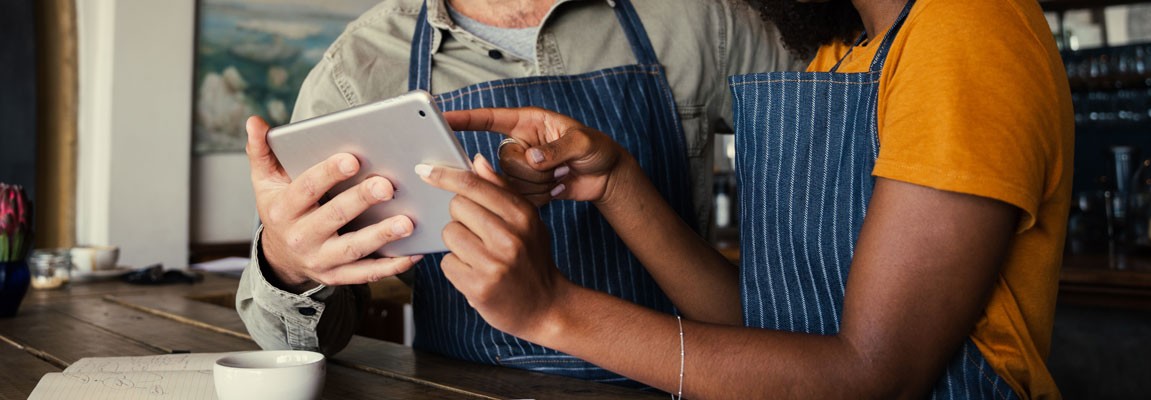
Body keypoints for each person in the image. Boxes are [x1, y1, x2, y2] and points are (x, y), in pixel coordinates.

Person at [415, 0, 1073, 398]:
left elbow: (876, 377)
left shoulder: (965, 29)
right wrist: (616, 181)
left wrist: (550, 311)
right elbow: (764, 331)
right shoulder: (842, 54)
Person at [236, 0, 802, 385]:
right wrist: (286, 261)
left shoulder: (708, 21)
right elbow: (304, 342)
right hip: (465, 391)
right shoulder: (355, 70)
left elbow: (827, 255)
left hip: (701, 380)